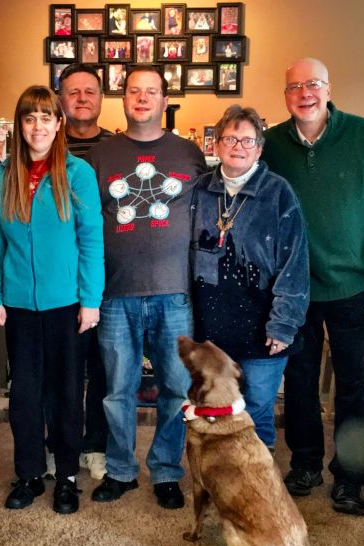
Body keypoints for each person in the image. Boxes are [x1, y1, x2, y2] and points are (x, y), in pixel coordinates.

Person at [261, 58, 364, 516]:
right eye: (295, 86)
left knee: (353, 385)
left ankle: (349, 478)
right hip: (294, 290)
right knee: (298, 381)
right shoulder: (271, 145)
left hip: (352, 288)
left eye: (313, 84)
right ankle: (305, 464)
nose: (305, 93)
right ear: (286, 95)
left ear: (328, 88)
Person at [85, 65, 207, 510]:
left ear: (164, 100)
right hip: (115, 294)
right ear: (123, 99)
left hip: (174, 294)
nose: (142, 98)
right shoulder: (100, 156)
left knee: (175, 389)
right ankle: (120, 469)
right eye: (134, 91)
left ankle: (166, 471)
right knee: (117, 391)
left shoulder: (189, 153)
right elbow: (86, 223)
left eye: (151, 92)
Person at [0, 85, 104, 515]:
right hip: (18, 306)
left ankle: (66, 475)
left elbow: (91, 240)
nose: (38, 127)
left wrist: (91, 299)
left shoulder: (77, 173)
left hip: (67, 304)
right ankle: (29, 473)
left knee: (66, 393)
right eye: (29, 118)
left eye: (46, 118)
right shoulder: (2, 176)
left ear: (58, 123)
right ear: (20, 125)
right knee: (26, 395)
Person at [190, 105, 309, 450]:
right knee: (212, 413)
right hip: (210, 330)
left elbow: (295, 264)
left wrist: (283, 325)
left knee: (255, 413)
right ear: (216, 145)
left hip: (263, 329)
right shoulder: (199, 190)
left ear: (259, 149)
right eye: (230, 139)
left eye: (247, 140)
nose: (238, 147)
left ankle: (257, 478)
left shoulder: (278, 193)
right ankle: (218, 476)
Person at [57, 64, 114, 481]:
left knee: (103, 368)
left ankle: (95, 445)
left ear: (101, 99)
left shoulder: (116, 149)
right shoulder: (44, 143)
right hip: (57, 279)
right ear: (60, 99)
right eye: (72, 91)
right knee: (60, 371)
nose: (81, 98)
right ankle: (59, 446)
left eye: (89, 91)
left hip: (107, 277)